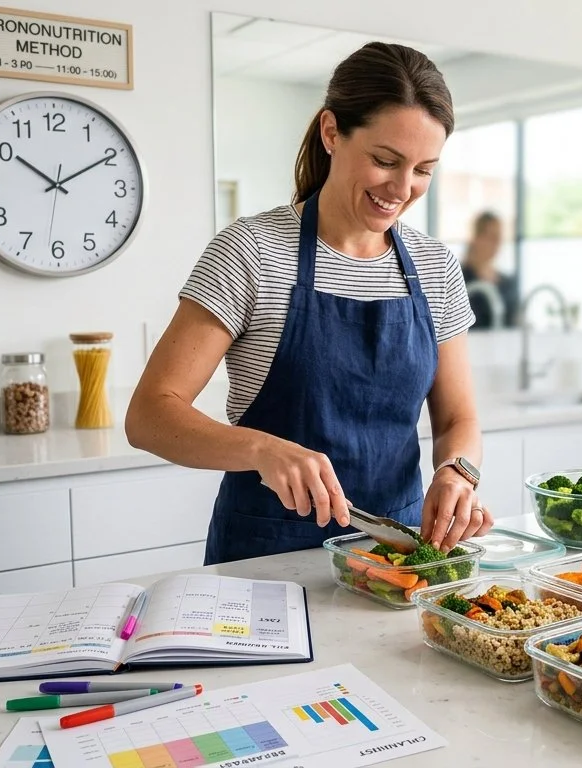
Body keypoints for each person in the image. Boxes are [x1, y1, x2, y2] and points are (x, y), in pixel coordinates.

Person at [125, 42, 493, 564]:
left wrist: (458, 471)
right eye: (385, 161)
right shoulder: (251, 250)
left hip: (397, 558)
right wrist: (260, 448)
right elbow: (148, 416)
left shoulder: (436, 267)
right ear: (331, 133)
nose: (402, 187)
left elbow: (459, 420)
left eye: (423, 170)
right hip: (266, 559)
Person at [461, 211, 518, 329]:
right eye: (491, 237)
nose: (496, 243)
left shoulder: (507, 282)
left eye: (499, 237)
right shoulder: (460, 279)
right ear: (477, 238)